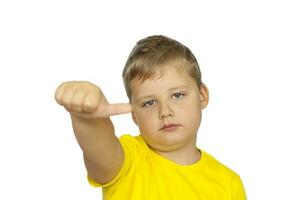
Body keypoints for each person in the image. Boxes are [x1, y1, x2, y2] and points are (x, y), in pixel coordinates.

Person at [54, 35, 247, 199]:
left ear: (202, 96)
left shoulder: (228, 183)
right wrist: (88, 120)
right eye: (149, 102)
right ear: (134, 115)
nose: (165, 111)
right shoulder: (130, 159)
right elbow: (99, 150)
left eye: (177, 95)